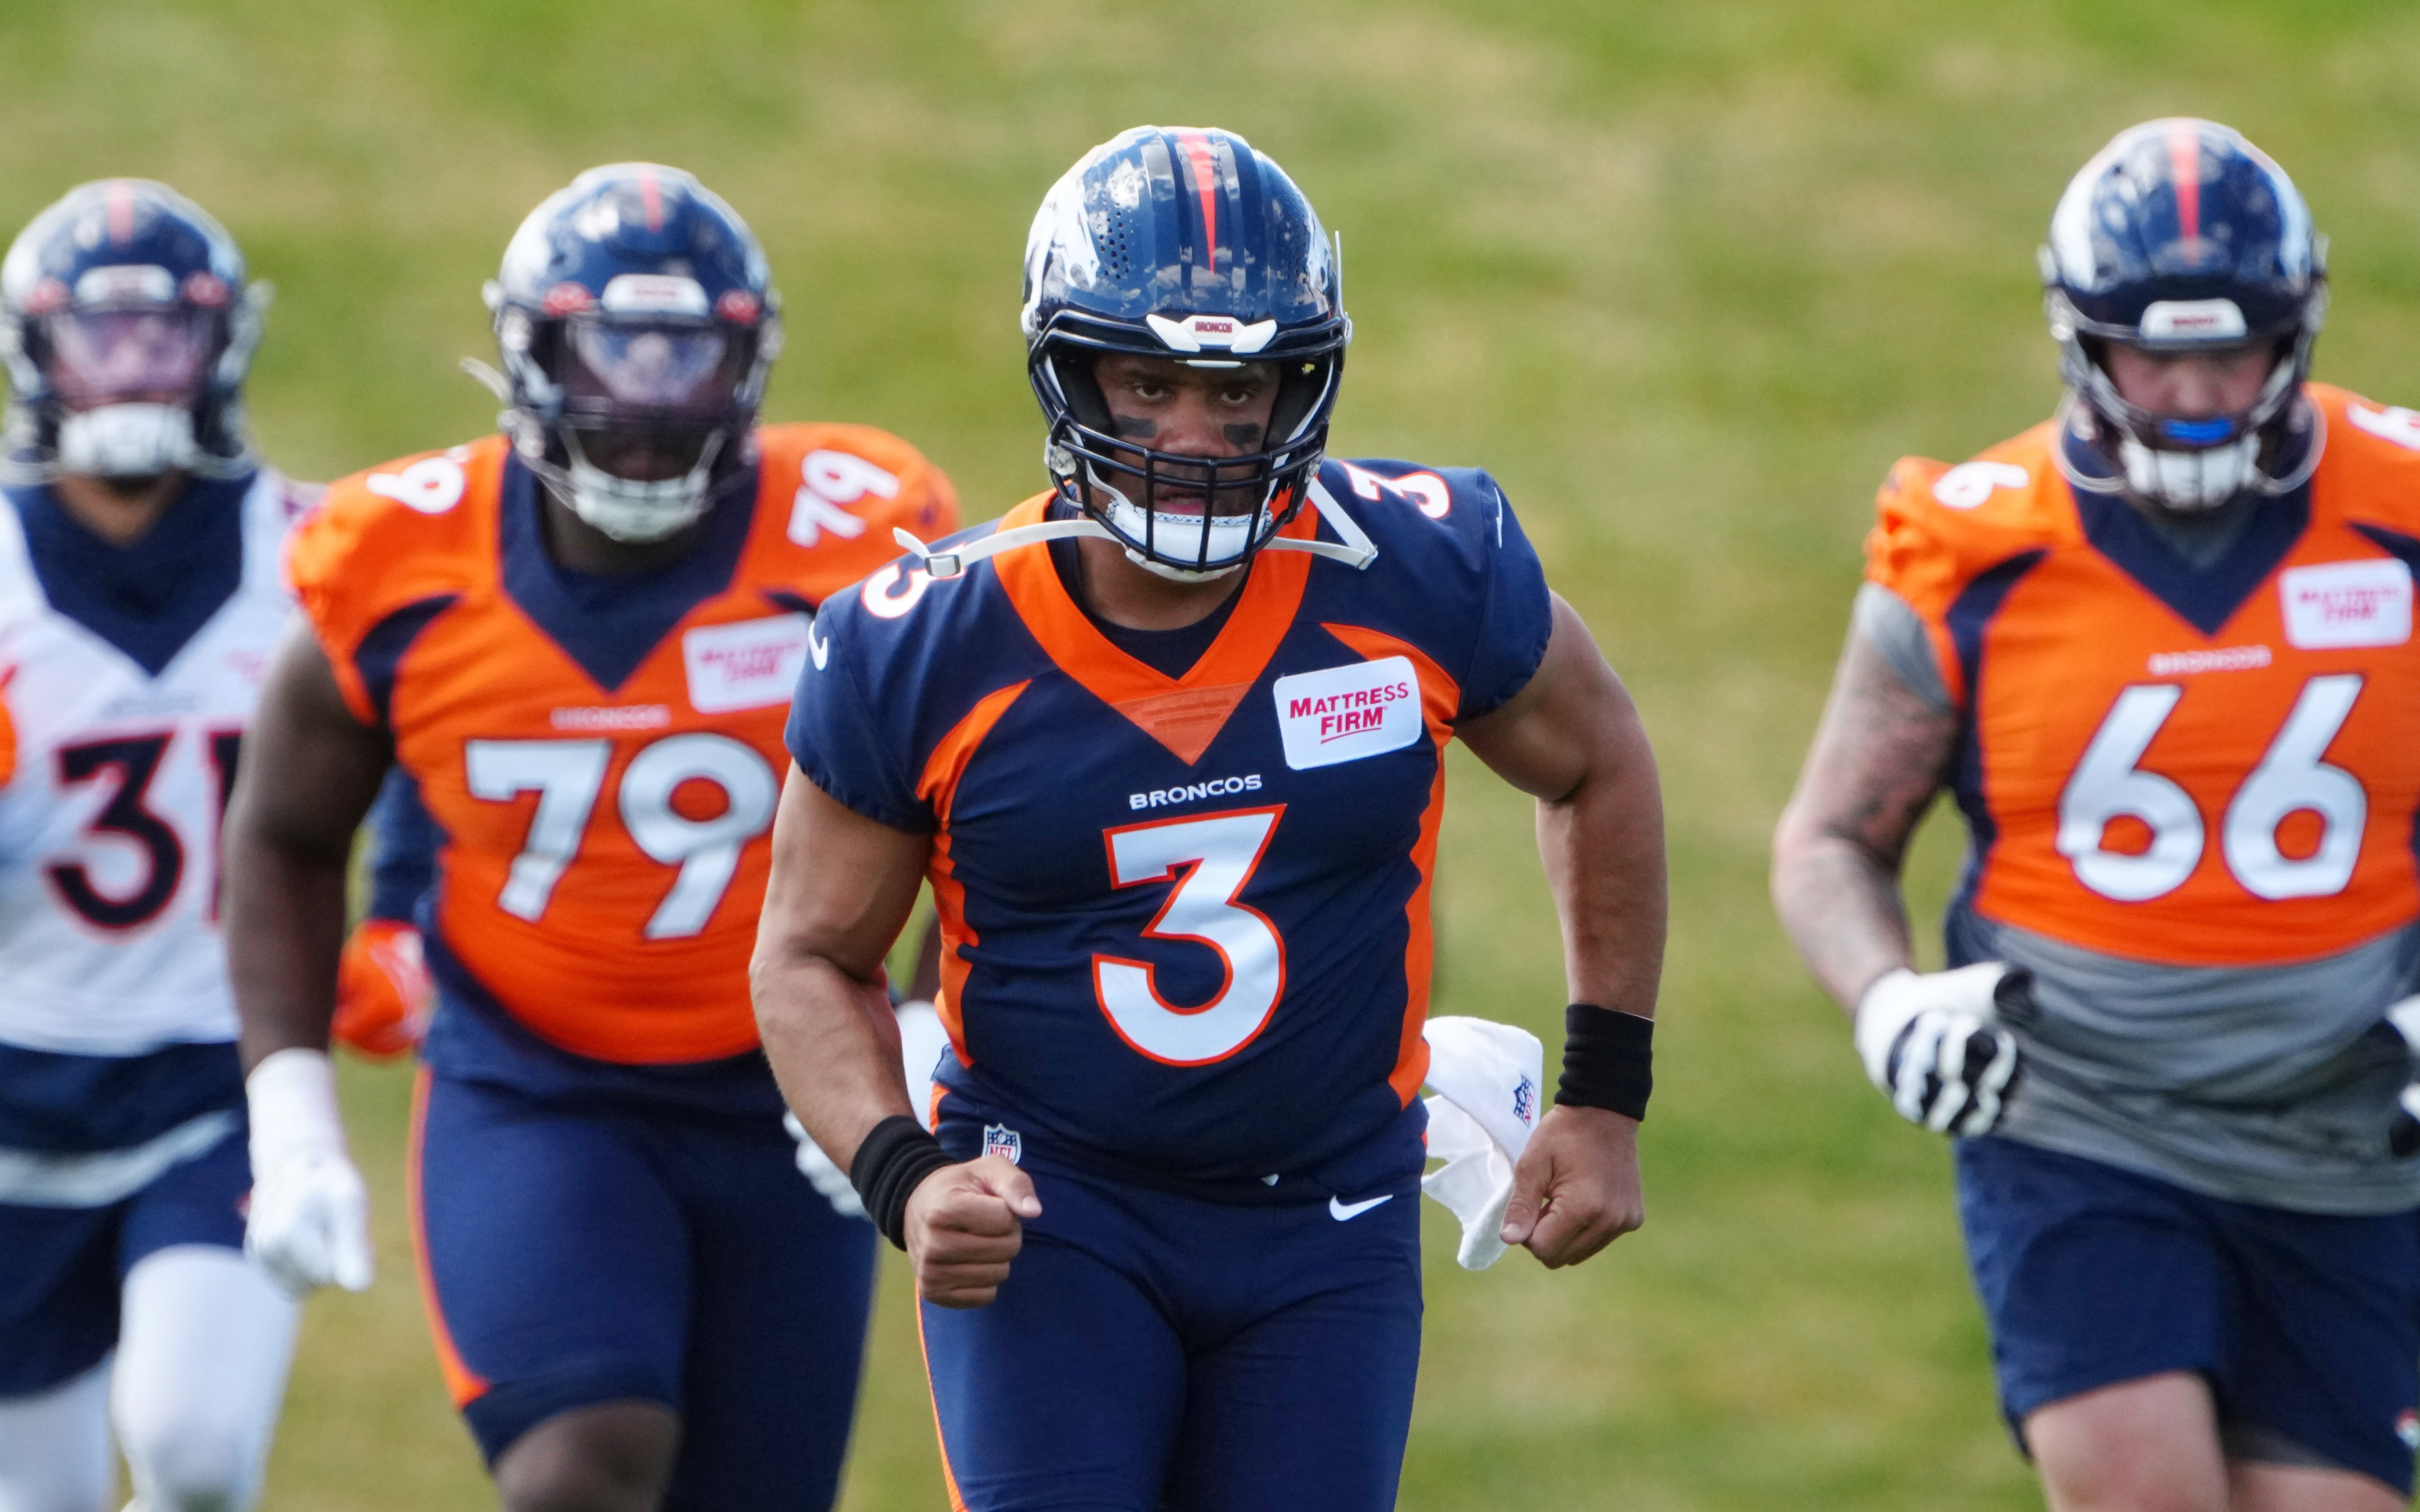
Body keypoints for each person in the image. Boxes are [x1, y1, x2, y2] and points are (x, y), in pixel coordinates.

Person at [751, 124, 1669, 1510]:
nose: (1194, 434)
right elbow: (809, 954)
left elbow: (1596, 761)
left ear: (1302, 379)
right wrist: (903, 1175)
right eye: (1146, 379)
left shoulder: (1417, 566)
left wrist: (1605, 1094)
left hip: (1329, 1219)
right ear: (1069, 372)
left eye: (1240, 391)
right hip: (1053, 1207)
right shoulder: (922, 643)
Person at [220, 163, 958, 1512]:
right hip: (534, 1082)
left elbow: (980, 798)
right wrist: (287, 1107)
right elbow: (281, 828)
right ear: (526, 354)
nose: (643, 407)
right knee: (584, 1468)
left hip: (791, 1089)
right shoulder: (400, 558)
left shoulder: (853, 539)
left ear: (747, 364)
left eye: (688, 360)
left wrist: (915, 1025)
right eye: (610, 354)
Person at [1773, 118, 2420, 1512]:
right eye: (2150, 353)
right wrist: (1887, 1002)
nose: (2190, 392)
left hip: (2349, 1124)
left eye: (2229, 351)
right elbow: (1831, 835)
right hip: (2080, 1109)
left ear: (2295, 332)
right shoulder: (1973, 545)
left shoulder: (2403, 512)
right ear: (2078, 340)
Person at [0, 180, 304, 1512]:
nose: (130, 371)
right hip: (13, 1092)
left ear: (222, 344)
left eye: (161, 335)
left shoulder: (317, 549)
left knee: (193, 1450)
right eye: (99, 336)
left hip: (214, 1081)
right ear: (36, 352)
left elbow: (429, 756)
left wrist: (406, 922)